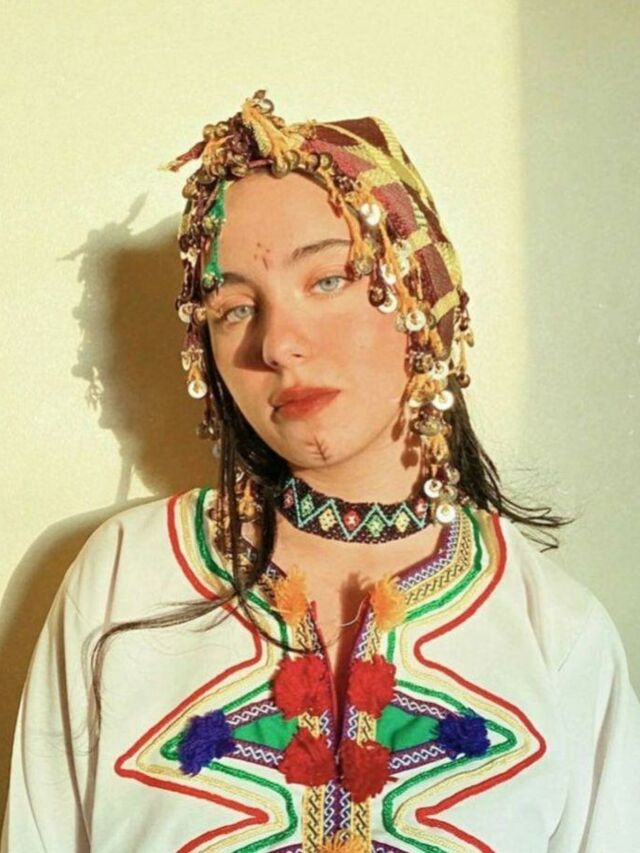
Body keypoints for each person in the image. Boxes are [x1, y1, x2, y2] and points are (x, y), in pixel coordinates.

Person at [3, 90, 640, 853]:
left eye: (327, 279)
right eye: (234, 308)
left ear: (421, 291)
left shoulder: (553, 631)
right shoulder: (125, 580)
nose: (278, 343)